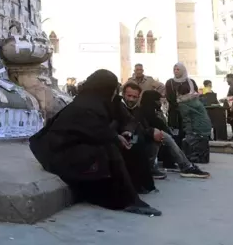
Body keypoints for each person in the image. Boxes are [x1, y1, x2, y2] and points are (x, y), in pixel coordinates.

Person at [29, 69, 162, 216]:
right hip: (57, 154)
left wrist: (124, 134)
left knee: (132, 143)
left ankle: (135, 188)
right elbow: (93, 131)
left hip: (70, 148)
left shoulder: (102, 102)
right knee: (108, 150)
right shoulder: (85, 105)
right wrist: (115, 137)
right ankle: (126, 200)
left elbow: (121, 123)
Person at [123, 84, 209, 179]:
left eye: (134, 97)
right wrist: (151, 131)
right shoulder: (120, 107)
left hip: (137, 139)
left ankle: (183, 165)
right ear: (123, 94)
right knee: (161, 135)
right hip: (124, 139)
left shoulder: (138, 110)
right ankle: (186, 166)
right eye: (129, 96)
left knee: (160, 135)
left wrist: (152, 131)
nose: (131, 99)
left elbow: (141, 128)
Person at [165, 63, 212, 163]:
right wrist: (179, 105)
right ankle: (176, 155)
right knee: (176, 133)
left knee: (189, 132)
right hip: (175, 113)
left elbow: (194, 95)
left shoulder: (190, 82)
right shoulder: (170, 82)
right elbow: (169, 97)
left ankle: (188, 154)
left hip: (190, 112)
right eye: (174, 69)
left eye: (178, 69)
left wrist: (185, 104)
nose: (176, 71)